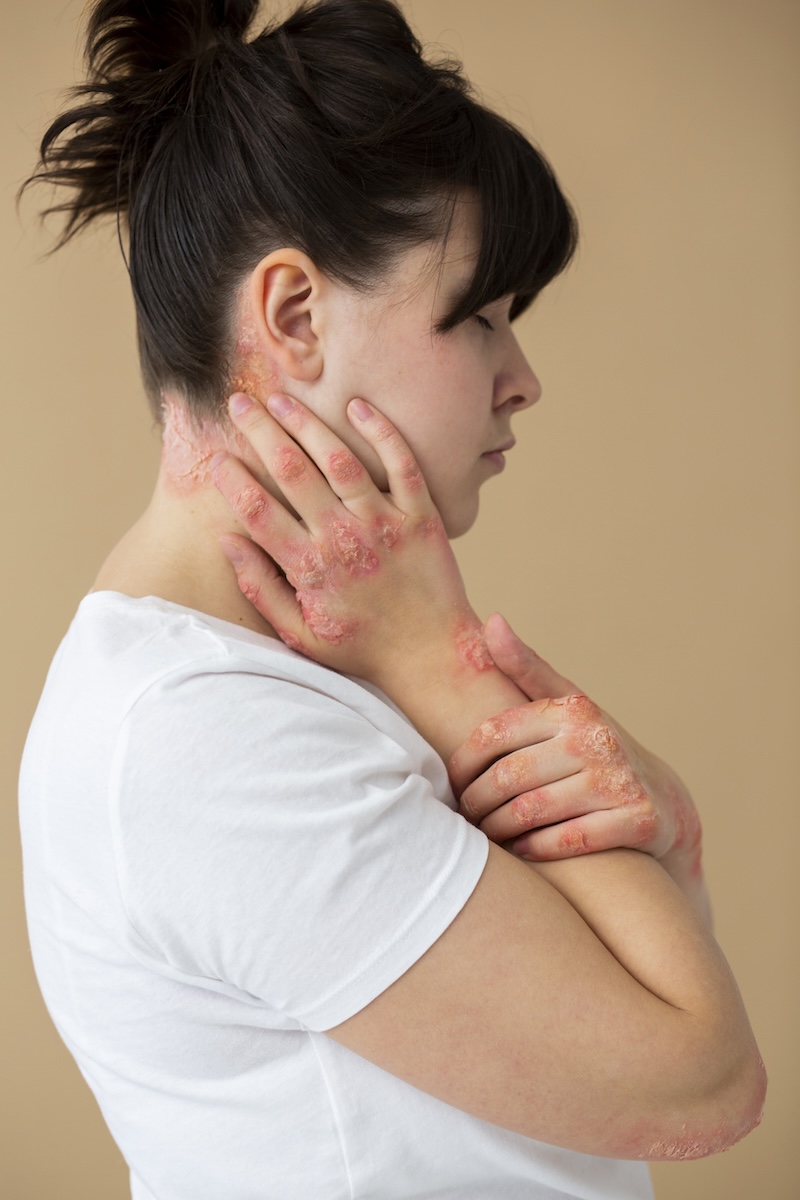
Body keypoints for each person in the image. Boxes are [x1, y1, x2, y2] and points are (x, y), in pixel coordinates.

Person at [18, 2, 765, 1198]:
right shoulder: (198, 736)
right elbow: (699, 1083)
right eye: (474, 316)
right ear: (295, 318)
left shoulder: (294, 669)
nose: (521, 380)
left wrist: (663, 827)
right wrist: (437, 663)